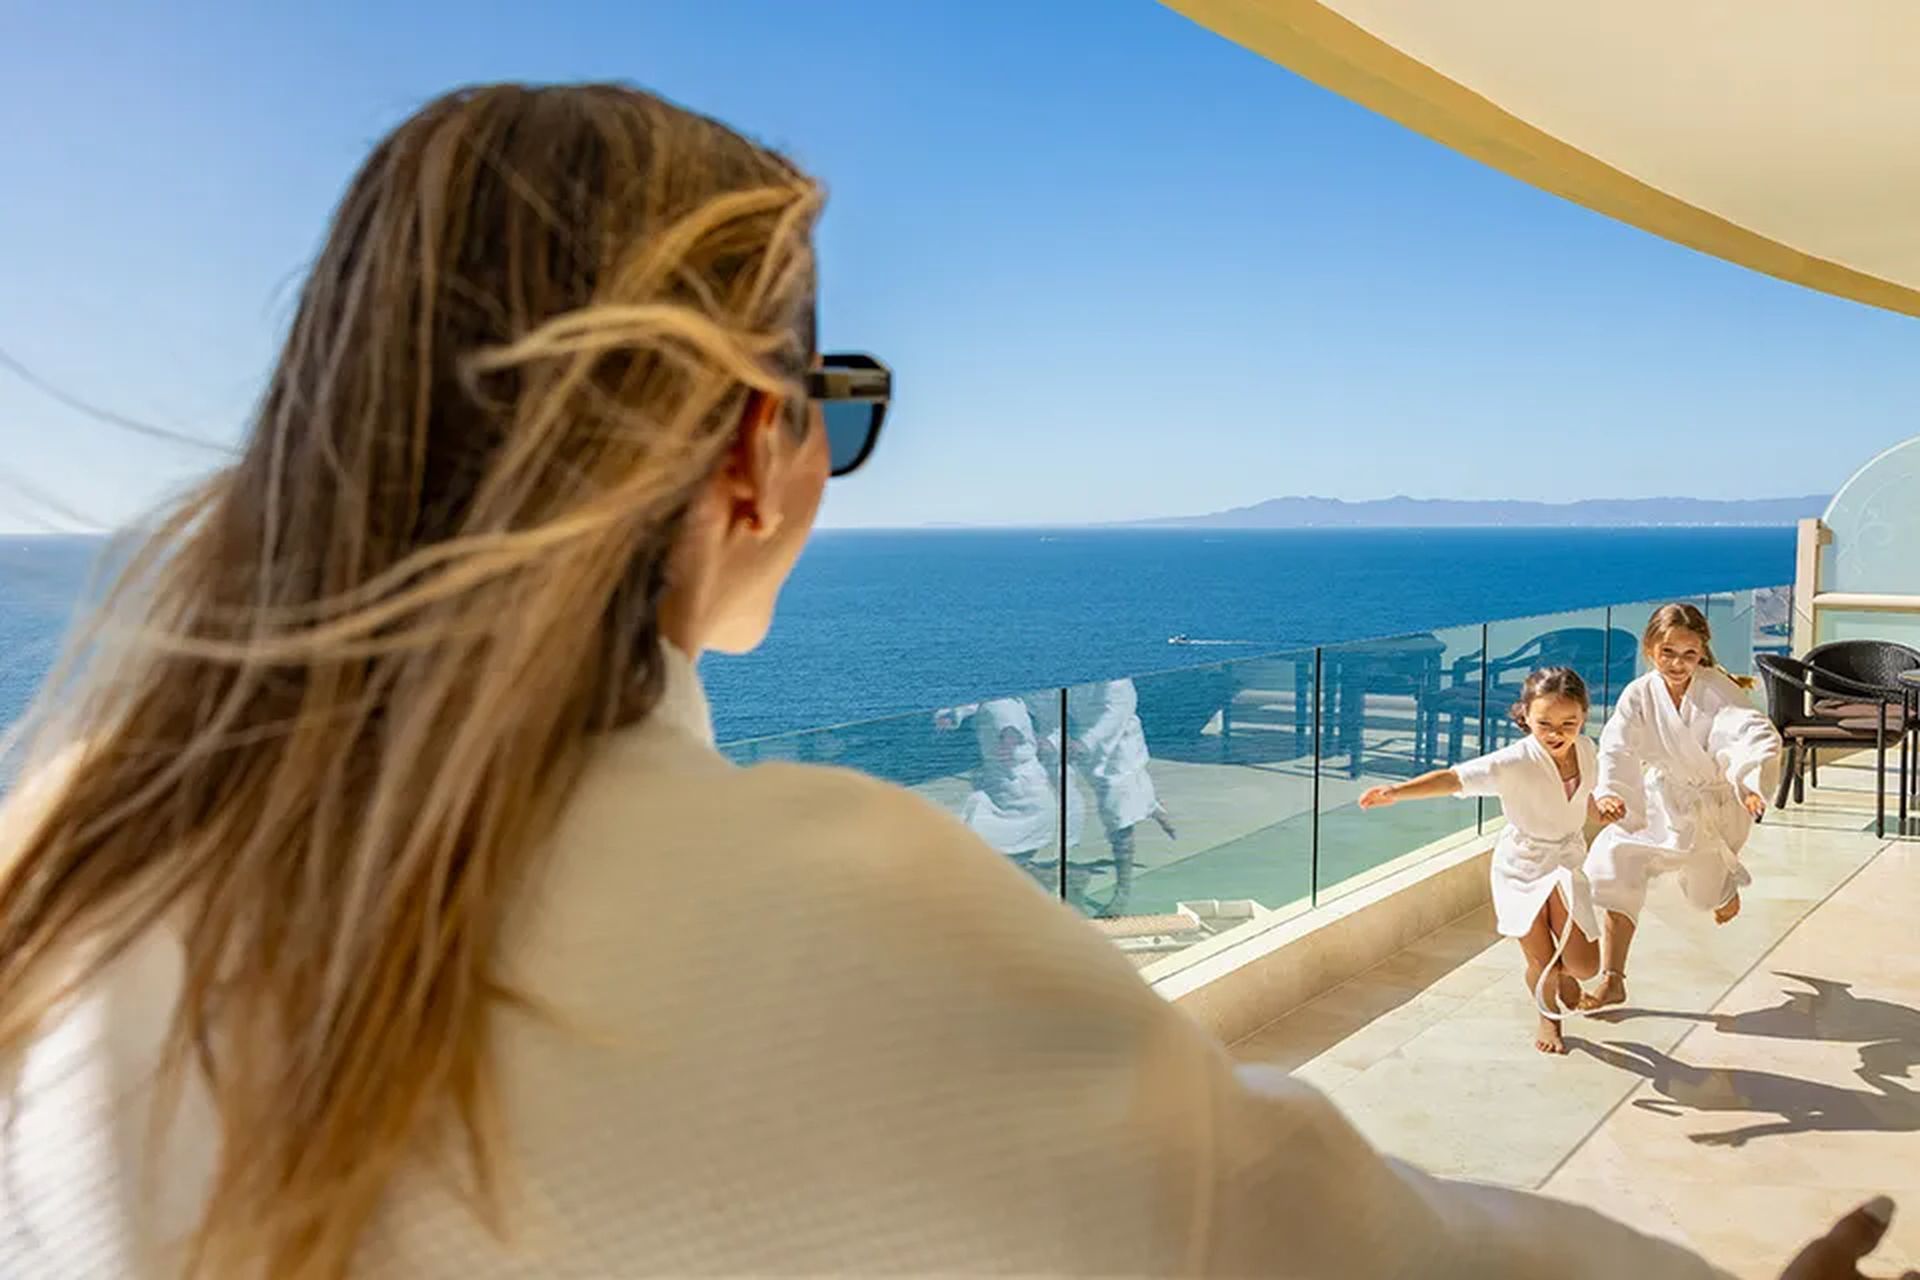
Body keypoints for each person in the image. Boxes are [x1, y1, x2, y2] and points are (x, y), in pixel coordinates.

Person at [0, 83, 1898, 1279]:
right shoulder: (817, 920)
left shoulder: (65, 896)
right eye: (840, 404)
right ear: (755, 449)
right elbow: (1293, 1234)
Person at [1359, 668, 1606, 1055]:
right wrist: (1396, 791)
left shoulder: (1588, 750)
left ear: (1584, 716)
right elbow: (1453, 779)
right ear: (1525, 715)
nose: (1556, 733)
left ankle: (1564, 976)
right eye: (1544, 723)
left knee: (1585, 965)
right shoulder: (1513, 762)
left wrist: (1600, 807)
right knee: (1540, 959)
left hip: (1565, 860)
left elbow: (1578, 797)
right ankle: (1548, 1017)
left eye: (1568, 723)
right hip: (1522, 865)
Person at [1580, 604, 1783, 1012]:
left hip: (1712, 804)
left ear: (1702, 653)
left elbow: (1748, 732)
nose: (1677, 663)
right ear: (1650, 648)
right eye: (1668, 652)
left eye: (1689, 655)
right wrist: (1611, 792)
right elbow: (1617, 744)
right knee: (1615, 861)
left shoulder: (1716, 690)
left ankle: (1724, 888)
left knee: (1703, 898)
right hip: (1660, 797)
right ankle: (1613, 978)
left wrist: (1749, 780)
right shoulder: (1639, 693)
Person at [1056, 678, 1176, 916]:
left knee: (1118, 817)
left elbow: (1116, 713)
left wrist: (1084, 742)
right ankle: (1151, 805)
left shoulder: (1116, 679)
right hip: (1089, 750)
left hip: (1121, 747)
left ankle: (1123, 891)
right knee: (1120, 804)